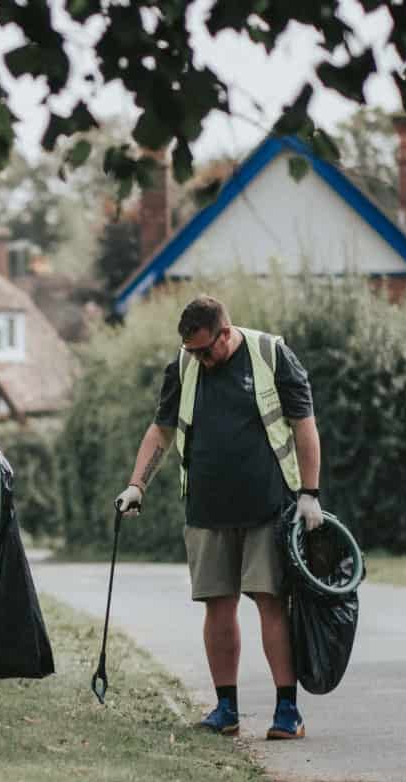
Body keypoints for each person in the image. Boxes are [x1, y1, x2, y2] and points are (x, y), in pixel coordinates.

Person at [114, 296, 324, 739]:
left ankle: (288, 710)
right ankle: (225, 708)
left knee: (270, 601)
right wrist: (137, 484)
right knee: (217, 604)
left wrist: (309, 494)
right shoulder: (185, 365)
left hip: (268, 507)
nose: (199, 359)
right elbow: (162, 429)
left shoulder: (271, 355)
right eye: (192, 351)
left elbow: (304, 424)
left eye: (205, 350)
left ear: (226, 333)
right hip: (206, 508)